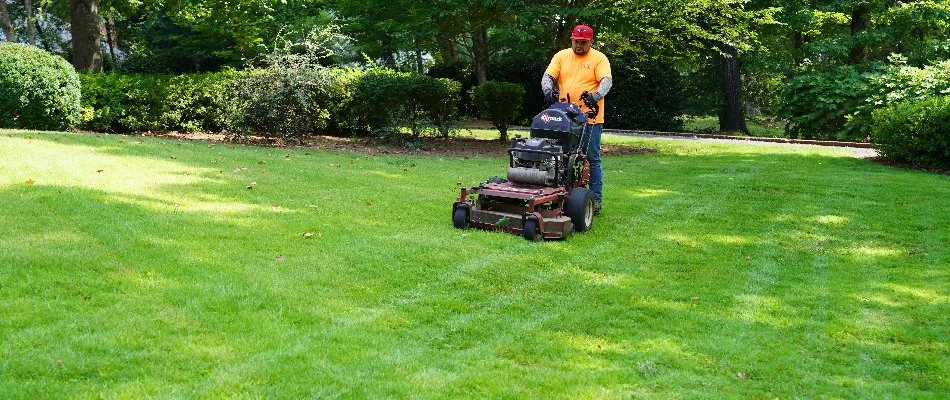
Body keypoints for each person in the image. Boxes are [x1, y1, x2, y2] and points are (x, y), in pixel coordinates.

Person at [541, 24, 612, 213]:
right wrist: (548, 90)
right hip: (564, 116)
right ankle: (561, 193)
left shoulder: (599, 58)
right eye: (576, 42)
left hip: (590, 117)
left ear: (591, 42)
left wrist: (595, 97)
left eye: (583, 42)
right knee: (560, 154)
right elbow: (547, 76)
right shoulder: (561, 56)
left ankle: (595, 199)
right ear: (571, 40)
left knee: (591, 157)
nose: (579, 45)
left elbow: (606, 81)